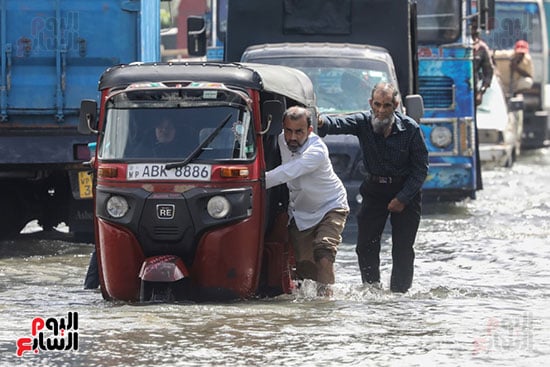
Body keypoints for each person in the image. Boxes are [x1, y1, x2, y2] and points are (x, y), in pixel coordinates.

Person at [317, 82, 428, 293]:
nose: (380, 111)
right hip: (374, 190)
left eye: (386, 106)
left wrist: (402, 198)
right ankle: (371, 290)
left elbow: (421, 169)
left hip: (405, 192)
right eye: (377, 105)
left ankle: (399, 294)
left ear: (395, 105)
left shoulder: (410, 129)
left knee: (403, 249)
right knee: (366, 245)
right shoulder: (363, 122)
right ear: (371, 103)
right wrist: (320, 120)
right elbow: (335, 124)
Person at [265, 106, 349, 296]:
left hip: (331, 205)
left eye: (299, 132)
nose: (293, 137)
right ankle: (312, 306)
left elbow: (289, 171)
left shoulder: (316, 150)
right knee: (304, 266)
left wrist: (256, 181)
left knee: (324, 252)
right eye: (289, 131)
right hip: (301, 211)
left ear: (309, 131)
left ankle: (327, 302)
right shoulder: (280, 140)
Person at [471, 20, 494, 105]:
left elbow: (489, 72)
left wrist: (481, 91)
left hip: (470, 91)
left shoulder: (481, 48)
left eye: (474, 27)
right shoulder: (448, 44)